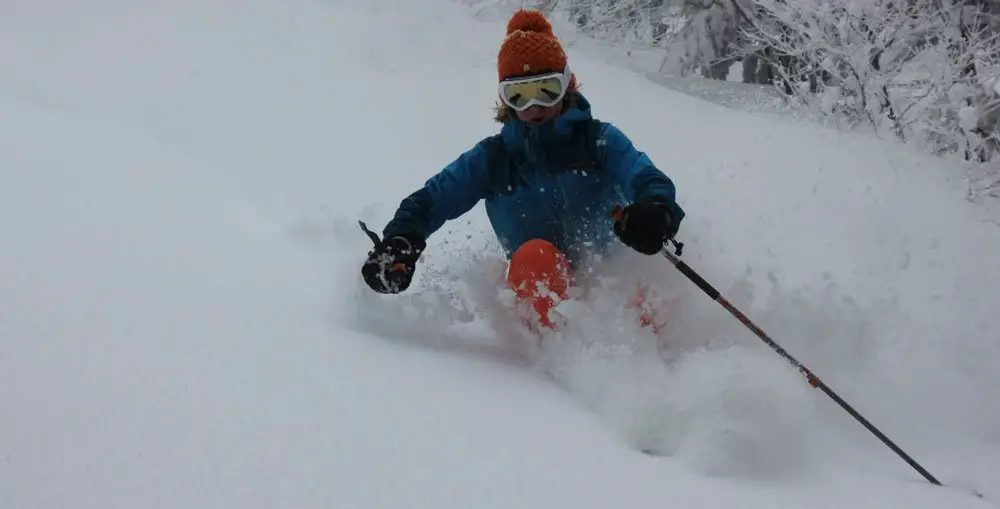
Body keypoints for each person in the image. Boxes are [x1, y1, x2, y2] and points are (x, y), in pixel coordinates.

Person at [361, 8, 684, 329]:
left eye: (546, 90)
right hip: (539, 290)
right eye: (519, 95)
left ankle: (650, 358)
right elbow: (433, 199)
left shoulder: (598, 142)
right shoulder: (494, 160)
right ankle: (560, 352)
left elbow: (645, 177)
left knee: (644, 283)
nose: (534, 107)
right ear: (505, 102)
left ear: (567, 87)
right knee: (535, 256)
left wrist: (656, 210)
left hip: (608, 282)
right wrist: (401, 240)